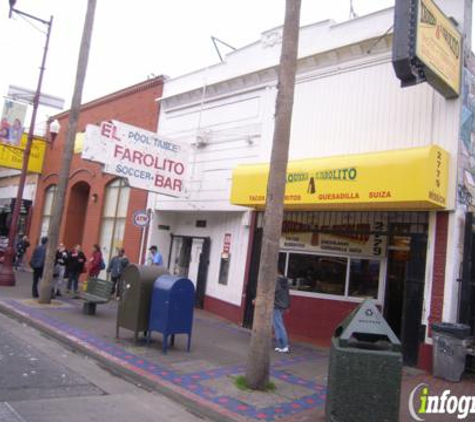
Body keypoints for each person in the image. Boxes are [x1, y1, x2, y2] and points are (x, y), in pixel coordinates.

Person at [273, 269, 291, 353]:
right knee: (277, 325)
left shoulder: (276, 281)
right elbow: (287, 294)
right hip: (283, 306)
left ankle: (285, 345)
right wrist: (287, 306)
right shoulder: (285, 281)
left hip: (276, 305)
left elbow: (273, 292)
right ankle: (280, 346)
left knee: (278, 326)